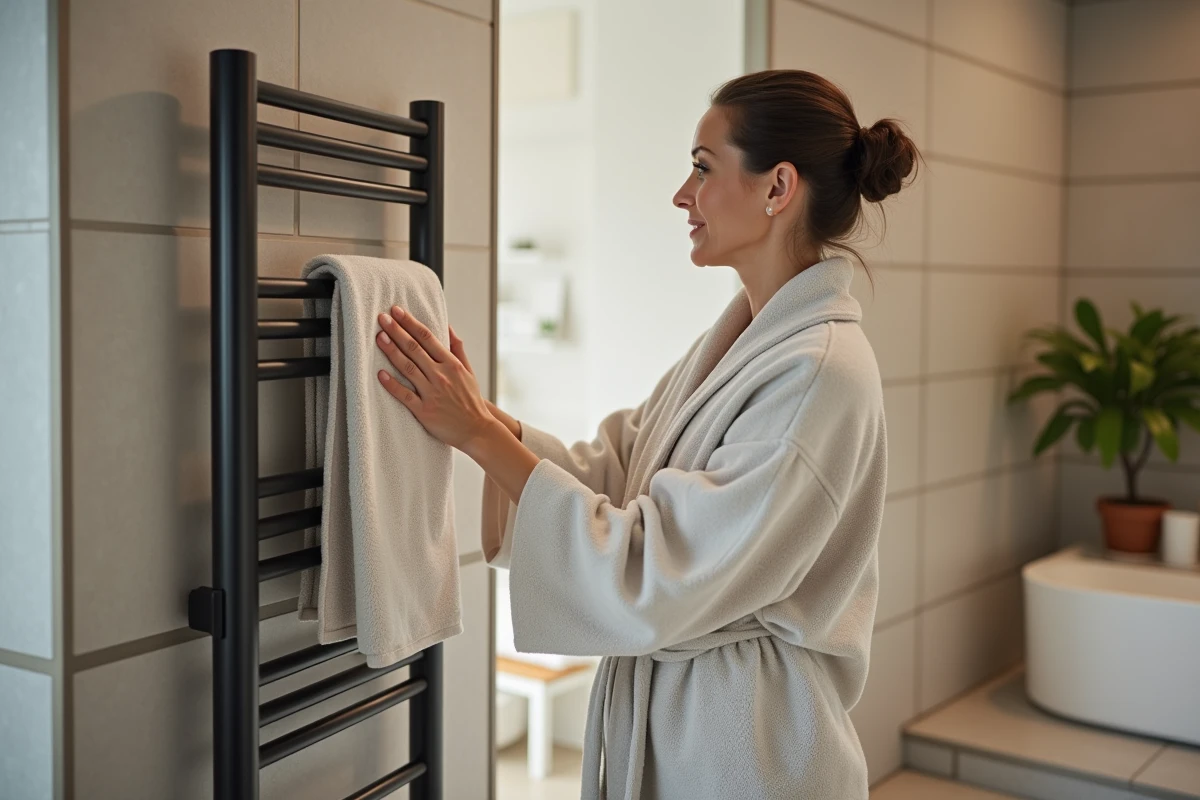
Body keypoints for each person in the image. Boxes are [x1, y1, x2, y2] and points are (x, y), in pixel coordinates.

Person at [371, 69, 920, 800]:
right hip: (689, 715)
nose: (681, 195)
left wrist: (477, 435)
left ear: (777, 188)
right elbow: (621, 469)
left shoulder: (819, 372)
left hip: (743, 747)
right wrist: (479, 415)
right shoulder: (739, 340)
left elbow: (663, 568)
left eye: (701, 169)